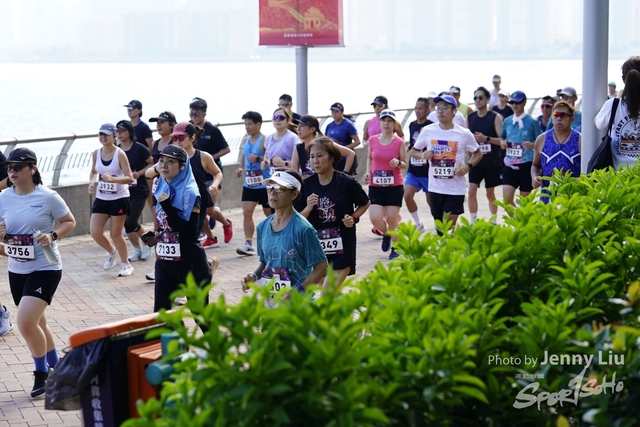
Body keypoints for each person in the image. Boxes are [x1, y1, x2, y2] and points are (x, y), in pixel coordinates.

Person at [0, 148, 76, 397]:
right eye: (9, 167)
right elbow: (3, 243)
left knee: (25, 323)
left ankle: (42, 374)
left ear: (32, 169)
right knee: (39, 322)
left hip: (46, 267)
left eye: (18, 167)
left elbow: (69, 221)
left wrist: (52, 235)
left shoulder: (48, 196)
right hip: (17, 268)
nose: (12, 172)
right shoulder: (3, 198)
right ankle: (58, 365)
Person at [241, 170, 328, 307]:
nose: (272, 192)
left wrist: (298, 291)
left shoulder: (304, 229)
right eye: (270, 187)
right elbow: (266, 263)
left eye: (280, 187)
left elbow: (322, 268)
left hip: (299, 306)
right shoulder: (262, 227)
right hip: (270, 304)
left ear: (294, 194)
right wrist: (253, 276)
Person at [144, 145, 213, 312]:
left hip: (190, 264)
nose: (164, 165)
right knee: (161, 315)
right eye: (161, 161)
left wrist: (168, 206)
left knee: (201, 318)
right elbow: (166, 224)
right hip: (165, 263)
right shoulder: (161, 186)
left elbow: (189, 233)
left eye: (170, 161)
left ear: (182, 166)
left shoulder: (190, 192)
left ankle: (209, 266)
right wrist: (157, 234)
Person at [297, 137, 370, 288]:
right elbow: (298, 219)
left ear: (332, 158)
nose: (315, 161)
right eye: (312, 157)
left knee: (327, 294)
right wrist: (308, 208)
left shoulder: (347, 182)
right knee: (326, 291)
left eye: (319, 156)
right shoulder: (307, 185)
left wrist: (354, 217)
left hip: (343, 247)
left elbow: (365, 202)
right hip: (317, 249)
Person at [412, 95, 481, 234]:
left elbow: (478, 153)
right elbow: (414, 151)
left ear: (454, 111)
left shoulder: (464, 133)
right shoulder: (428, 131)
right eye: (438, 107)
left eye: (445, 107)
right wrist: (422, 155)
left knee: (447, 229)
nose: (440, 111)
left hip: (455, 189)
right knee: (440, 231)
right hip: (435, 189)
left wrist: (468, 166)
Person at [148, 122, 223, 248]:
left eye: (181, 137)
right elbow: (148, 174)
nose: (177, 141)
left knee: (190, 237)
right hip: (173, 200)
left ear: (192, 137)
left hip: (195, 202)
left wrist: (215, 185)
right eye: (174, 138)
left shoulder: (203, 156)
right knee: (166, 232)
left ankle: (202, 259)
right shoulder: (170, 158)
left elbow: (217, 172)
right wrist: (159, 168)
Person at [89, 123, 135, 277]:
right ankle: (111, 252)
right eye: (100, 134)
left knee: (116, 234)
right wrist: (91, 182)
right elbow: (93, 171)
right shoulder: (96, 153)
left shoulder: (120, 154)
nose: (103, 137)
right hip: (102, 197)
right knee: (95, 232)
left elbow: (129, 178)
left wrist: (113, 179)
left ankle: (126, 264)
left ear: (114, 136)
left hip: (119, 198)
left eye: (106, 135)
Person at [189, 97, 233, 246]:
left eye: (196, 114)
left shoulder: (213, 130)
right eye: (191, 114)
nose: (193, 117)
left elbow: (226, 149)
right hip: (196, 175)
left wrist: (212, 157)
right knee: (198, 209)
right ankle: (210, 236)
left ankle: (226, 223)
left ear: (204, 114)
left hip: (211, 175)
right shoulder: (189, 130)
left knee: (208, 208)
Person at [364, 109, 407, 259]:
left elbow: (404, 163)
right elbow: (370, 158)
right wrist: (368, 172)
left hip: (394, 186)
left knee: (392, 218)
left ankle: (395, 248)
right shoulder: (372, 140)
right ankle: (387, 234)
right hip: (376, 185)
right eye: (384, 120)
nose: (386, 123)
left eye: (389, 121)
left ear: (394, 124)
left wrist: (398, 163)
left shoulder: (399, 142)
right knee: (375, 218)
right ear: (380, 122)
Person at [115, 120, 153, 262]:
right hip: (123, 191)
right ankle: (137, 249)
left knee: (132, 221)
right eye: (117, 131)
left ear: (130, 132)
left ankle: (149, 242)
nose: (119, 134)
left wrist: (140, 173)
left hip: (139, 190)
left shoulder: (139, 148)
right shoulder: (117, 150)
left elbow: (152, 163)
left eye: (122, 131)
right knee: (126, 223)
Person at [145, 112, 176, 281]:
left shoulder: (175, 144)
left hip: (172, 192)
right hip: (157, 190)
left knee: (172, 228)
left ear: (172, 125)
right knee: (158, 228)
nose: (158, 125)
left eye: (162, 122)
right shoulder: (156, 143)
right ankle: (159, 265)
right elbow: (152, 171)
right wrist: (151, 193)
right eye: (157, 122)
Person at [235, 111, 271, 256]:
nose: (247, 127)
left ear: (258, 124)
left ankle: (274, 239)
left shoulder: (265, 140)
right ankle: (248, 243)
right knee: (247, 212)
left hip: (264, 184)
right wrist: (240, 168)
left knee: (270, 215)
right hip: (249, 184)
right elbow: (244, 156)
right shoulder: (246, 139)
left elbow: (269, 159)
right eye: (245, 124)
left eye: (250, 124)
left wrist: (257, 158)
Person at [595, 56, 640, 169]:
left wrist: (618, 97)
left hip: (618, 176)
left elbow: (598, 123)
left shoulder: (613, 105)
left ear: (623, 79)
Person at [467, 87, 503, 225]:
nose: (477, 100)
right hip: (475, 162)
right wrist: (468, 149)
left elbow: (502, 140)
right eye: (475, 98)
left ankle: (494, 221)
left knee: (490, 193)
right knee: (471, 191)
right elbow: (466, 139)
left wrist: (486, 138)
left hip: (492, 162)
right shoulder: (470, 118)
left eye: (480, 97)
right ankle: (473, 222)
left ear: (487, 99)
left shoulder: (495, 117)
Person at [532, 101, 581, 203]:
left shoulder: (580, 139)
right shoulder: (541, 139)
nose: (558, 118)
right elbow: (535, 165)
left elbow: (588, 171)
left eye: (563, 115)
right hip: (547, 198)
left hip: (572, 198)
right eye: (556, 114)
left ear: (572, 119)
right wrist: (534, 177)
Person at [500, 91, 543, 206]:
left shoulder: (532, 122)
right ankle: (516, 218)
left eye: (517, 102)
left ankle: (525, 217)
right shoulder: (507, 121)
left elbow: (542, 141)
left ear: (524, 102)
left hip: (526, 165)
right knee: (506, 201)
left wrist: (532, 145)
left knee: (525, 203)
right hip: (509, 165)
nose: (514, 105)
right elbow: (502, 136)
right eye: (512, 103)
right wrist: (502, 142)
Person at [291, 115, 354, 180]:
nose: (298, 129)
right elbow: (294, 174)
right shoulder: (298, 148)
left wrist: (344, 174)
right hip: (309, 185)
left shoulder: (325, 144)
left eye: (302, 126)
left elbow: (350, 154)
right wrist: (309, 179)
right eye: (298, 126)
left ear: (312, 129)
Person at [404, 97, 433, 230]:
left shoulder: (432, 126)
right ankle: (418, 224)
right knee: (407, 195)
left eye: (420, 108)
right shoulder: (412, 125)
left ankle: (438, 221)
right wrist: (407, 148)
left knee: (430, 200)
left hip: (427, 170)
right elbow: (413, 143)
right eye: (415, 108)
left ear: (427, 110)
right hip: (413, 169)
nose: (417, 111)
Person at [325, 102, 361, 175]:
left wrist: (344, 149)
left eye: (336, 111)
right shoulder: (329, 126)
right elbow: (326, 141)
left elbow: (357, 141)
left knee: (347, 178)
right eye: (332, 112)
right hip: (335, 159)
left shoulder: (348, 124)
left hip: (346, 158)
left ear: (342, 112)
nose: (334, 114)